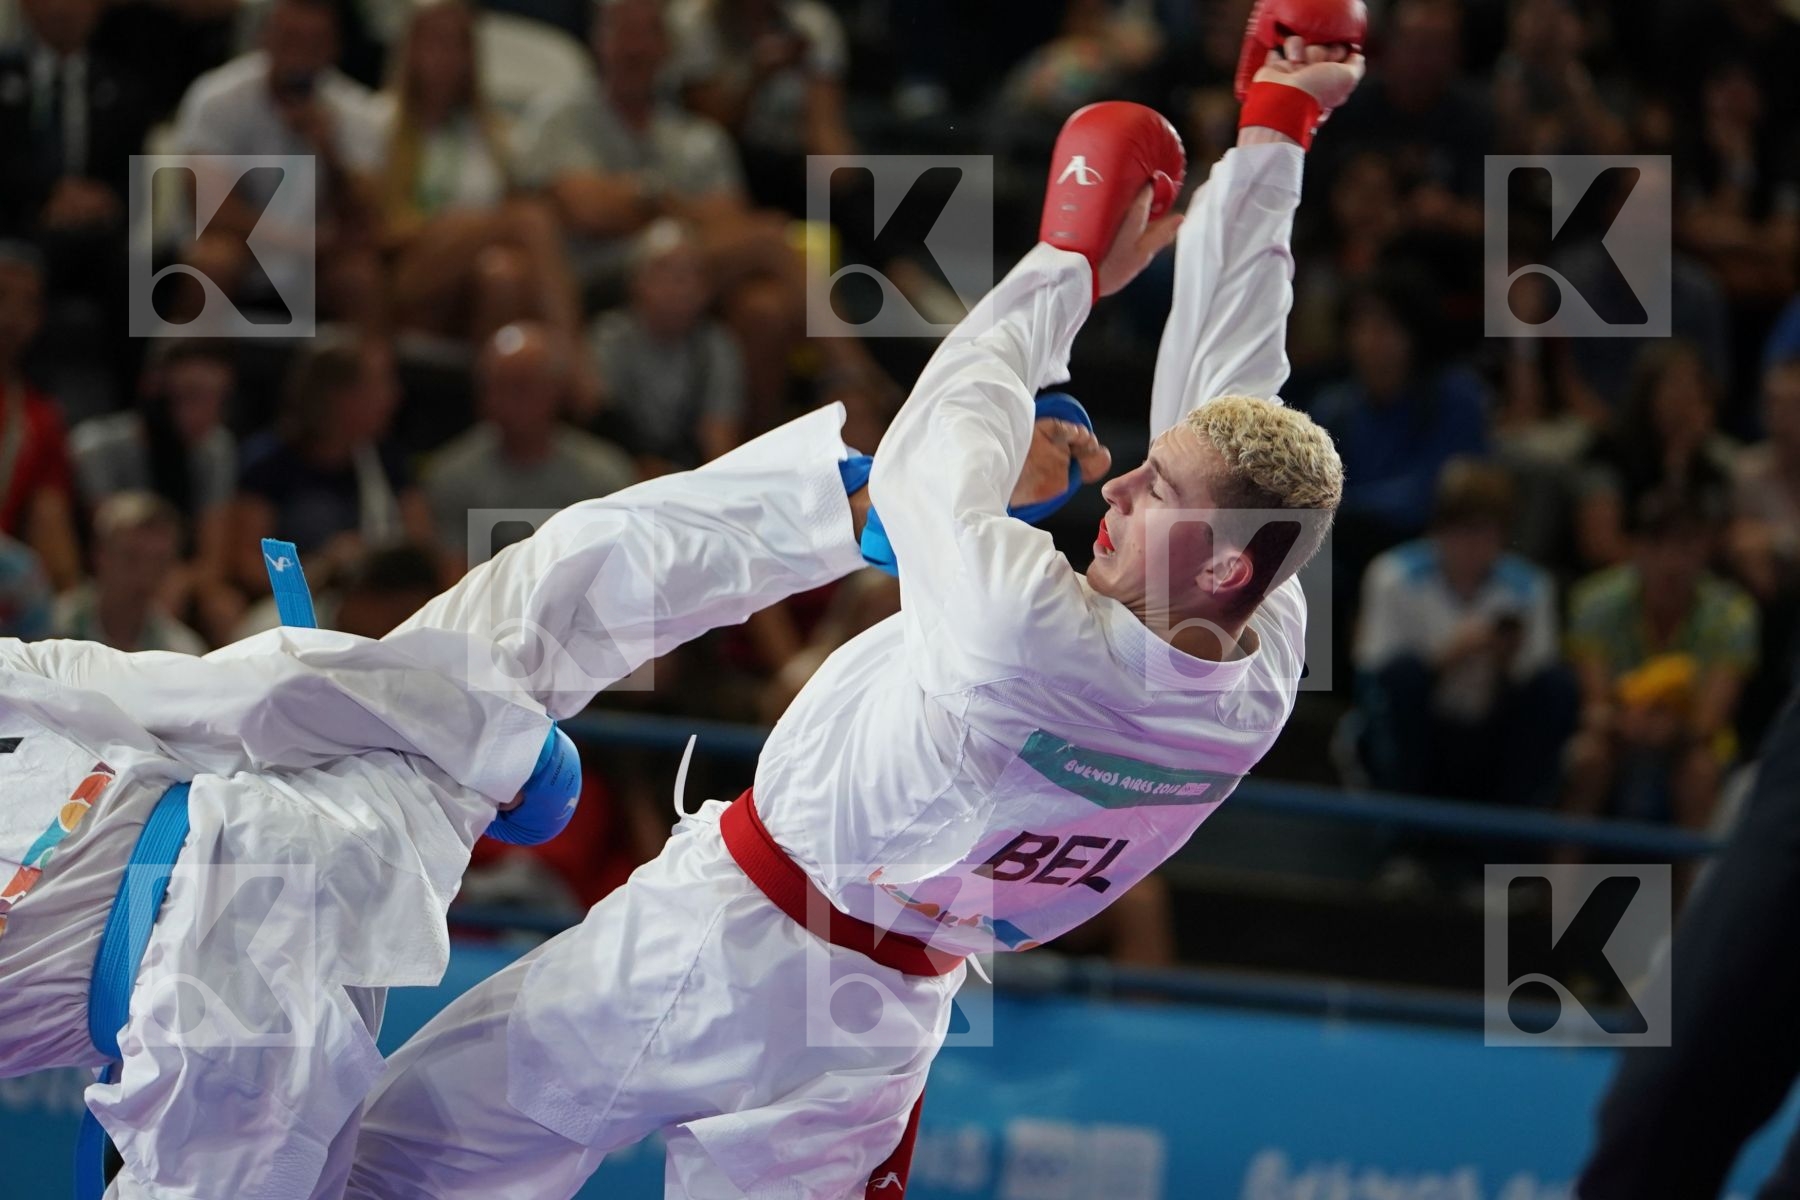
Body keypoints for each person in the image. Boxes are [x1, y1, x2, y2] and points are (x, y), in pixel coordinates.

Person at [349, 25, 1364, 1198]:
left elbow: (935, 444)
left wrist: (1066, 266)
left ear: (1229, 568)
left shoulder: (1030, 626)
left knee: (394, 1170)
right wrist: (1277, 132)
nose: (1122, 484)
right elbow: (1244, 376)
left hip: (726, 944)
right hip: (880, 1025)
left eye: (1157, 493)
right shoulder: (1260, 671)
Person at [0, 398, 993, 1199]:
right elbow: (237, 686)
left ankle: (855, 503)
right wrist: (496, 744)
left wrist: (487, 741)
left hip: (268, 881)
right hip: (258, 925)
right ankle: (853, 503)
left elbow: (209, 688)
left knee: (517, 627)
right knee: (520, 626)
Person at [376, 0, 591, 367]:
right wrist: (459, 228)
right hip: (410, 273)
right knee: (527, 220)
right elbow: (380, 229)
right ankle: (576, 361)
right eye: (434, 41)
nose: (446, 55)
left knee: (504, 274)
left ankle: (502, 398)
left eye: (457, 43)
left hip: (474, 277)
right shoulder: (375, 124)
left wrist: (472, 232)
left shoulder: (493, 137)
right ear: (408, 49)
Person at [1355, 459, 1573, 806]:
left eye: (1486, 532)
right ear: (1439, 528)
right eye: (1463, 530)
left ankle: (1510, 838)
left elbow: (1539, 676)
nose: (1474, 545)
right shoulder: (1392, 576)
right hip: (1420, 731)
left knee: (1554, 687)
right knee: (1402, 677)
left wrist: (1505, 663)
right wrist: (1448, 657)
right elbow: (1374, 669)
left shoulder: (1532, 588)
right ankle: (1402, 837)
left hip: (1493, 734)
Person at [168, 0, 386, 327]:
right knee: (212, 261)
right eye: (289, 38)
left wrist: (329, 153)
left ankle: (369, 376)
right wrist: (300, 243)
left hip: (321, 262)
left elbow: (365, 219)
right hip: (248, 249)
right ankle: (184, 370)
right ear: (264, 38)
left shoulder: (357, 112)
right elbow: (211, 210)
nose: (299, 55)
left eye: (313, 43)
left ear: (334, 48)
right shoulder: (216, 98)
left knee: (361, 277)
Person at [1564, 488, 1759, 832]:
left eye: (1686, 546)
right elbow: (1594, 704)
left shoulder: (1734, 614)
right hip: (1616, 734)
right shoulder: (1594, 601)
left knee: (1700, 772)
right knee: (1587, 758)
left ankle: (1694, 887)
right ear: (1637, 547)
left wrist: (1674, 730)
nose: (1672, 562)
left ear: (1705, 550)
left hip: (1690, 743)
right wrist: (1622, 723)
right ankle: (1558, 883)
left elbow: (1711, 719)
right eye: (1658, 544)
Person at [424, 321, 636, 563]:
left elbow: (618, 574)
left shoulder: (604, 476)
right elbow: (454, 585)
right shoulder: (452, 477)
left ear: (555, 390)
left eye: (521, 386)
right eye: (496, 386)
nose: (507, 400)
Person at [588, 219, 746, 473]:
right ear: (636, 281)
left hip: (688, 474)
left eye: (692, 273)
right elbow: (600, 426)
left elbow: (719, 439)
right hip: (621, 473)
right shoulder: (608, 340)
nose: (680, 285)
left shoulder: (717, 347)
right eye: (664, 271)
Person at [0, 245, 81, 591]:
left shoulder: (40, 420)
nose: (10, 316)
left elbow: (53, 542)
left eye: (27, 303)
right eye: (0, 296)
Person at [51, 491, 207, 655]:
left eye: (158, 562)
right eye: (131, 558)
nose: (145, 574)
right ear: (100, 555)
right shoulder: (53, 627)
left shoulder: (180, 650)